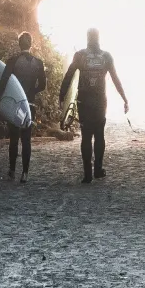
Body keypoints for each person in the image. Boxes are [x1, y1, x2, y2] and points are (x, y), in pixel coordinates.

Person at [59, 28, 128, 183]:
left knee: (86, 136)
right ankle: (98, 169)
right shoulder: (106, 57)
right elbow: (115, 79)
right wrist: (124, 98)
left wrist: (61, 96)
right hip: (100, 101)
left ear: (87, 38)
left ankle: (87, 174)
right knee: (99, 135)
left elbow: (68, 76)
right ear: (98, 38)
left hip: (83, 101)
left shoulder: (80, 56)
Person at [0, 32, 46, 183]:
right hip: (30, 104)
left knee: (14, 138)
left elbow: (3, 82)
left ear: (19, 44)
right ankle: (25, 173)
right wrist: (31, 92)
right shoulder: (38, 63)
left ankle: (11, 170)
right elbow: (43, 85)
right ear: (31, 44)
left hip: (14, 103)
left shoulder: (12, 61)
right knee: (27, 139)